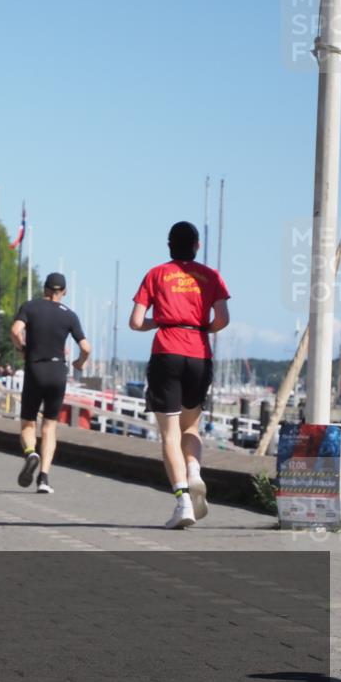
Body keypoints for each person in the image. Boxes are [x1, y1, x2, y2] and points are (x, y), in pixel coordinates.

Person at [129, 221, 230, 529]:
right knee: (191, 427)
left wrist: (158, 322)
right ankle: (195, 470)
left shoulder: (156, 274)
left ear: (169, 245)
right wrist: (201, 329)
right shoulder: (211, 276)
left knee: (170, 434)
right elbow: (222, 319)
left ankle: (182, 501)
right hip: (199, 352)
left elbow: (135, 321)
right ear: (196, 245)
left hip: (167, 351)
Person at [10, 272, 90, 494]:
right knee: (50, 426)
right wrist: (79, 363)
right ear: (63, 292)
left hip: (35, 368)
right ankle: (44, 479)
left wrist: (23, 348)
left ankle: (30, 453)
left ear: (45, 289)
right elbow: (86, 348)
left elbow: (15, 331)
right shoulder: (70, 315)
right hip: (57, 371)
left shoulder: (30, 307)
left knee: (28, 422)